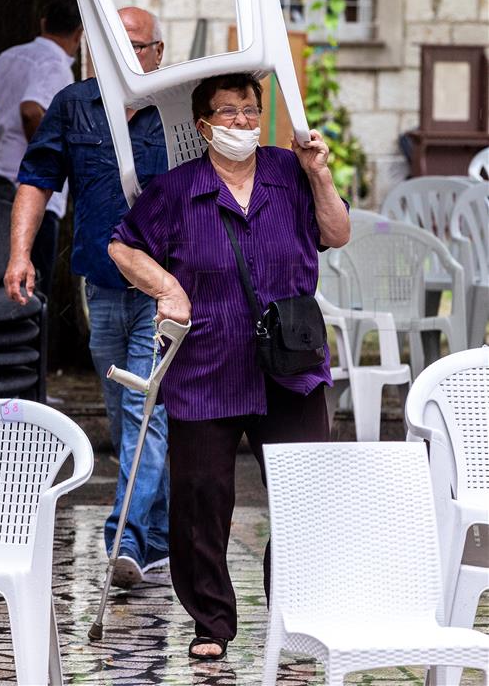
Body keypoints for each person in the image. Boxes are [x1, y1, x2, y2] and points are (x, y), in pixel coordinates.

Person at [108, 72, 351, 661]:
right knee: (200, 498)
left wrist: (319, 171)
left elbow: (337, 233)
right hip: (207, 362)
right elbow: (122, 245)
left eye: (250, 110)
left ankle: (295, 614)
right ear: (203, 125)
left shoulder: (289, 172)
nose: (242, 122)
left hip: (288, 362)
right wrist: (167, 286)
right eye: (228, 112)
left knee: (304, 492)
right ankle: (211, 624)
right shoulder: (175, 189)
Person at [3, 7, 169, 587]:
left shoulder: (175, 112)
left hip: (162, 292)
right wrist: (20, 253)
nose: (121, 55)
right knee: (132, 416)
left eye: (135, 45)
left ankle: (122, 541)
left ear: (157, 53)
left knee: (143, 409)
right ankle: (157, 538)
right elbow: (36, 179)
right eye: (108, 44)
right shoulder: (74, 104)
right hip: (100, 287)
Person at [0, 0, 83, 296]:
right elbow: (30, 109)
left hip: (0, 190)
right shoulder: (56, 66)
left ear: (43, 24)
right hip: (35, 199)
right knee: (33, 294)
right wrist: (45, 155)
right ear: (79, 34)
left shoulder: (12, 56)